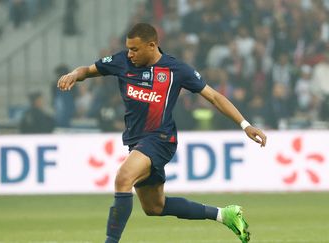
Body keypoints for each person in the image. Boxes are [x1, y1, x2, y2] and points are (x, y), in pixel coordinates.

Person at [57, 23, 267, 243]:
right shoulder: (122, 61)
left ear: (152, 45)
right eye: (128, 48)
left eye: (135, 49)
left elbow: (214, 97)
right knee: (155, 207)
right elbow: (87, 70)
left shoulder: (176, 70)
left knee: (123, 178)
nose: (130, 54)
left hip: (160, 139)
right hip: (137, 142)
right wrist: (74, 74)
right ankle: (224, 215)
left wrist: (245, 125)